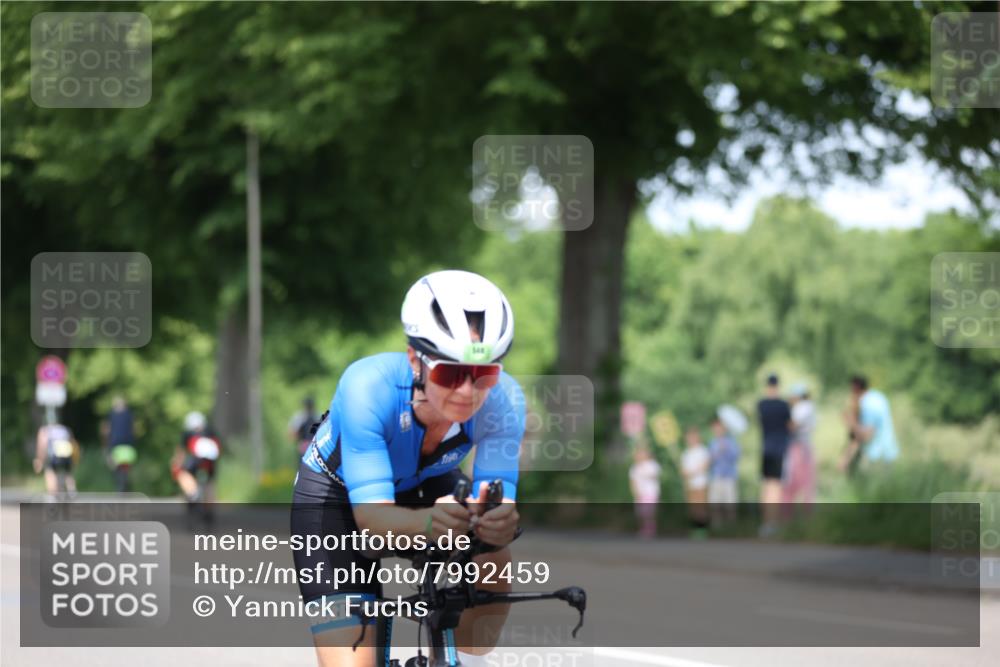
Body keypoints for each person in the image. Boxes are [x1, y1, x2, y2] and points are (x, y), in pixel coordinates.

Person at [291, 270, 524, 667]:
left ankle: (458, 659)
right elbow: (371, 520)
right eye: (450, 373)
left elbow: (497, 503)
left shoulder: (504, 402)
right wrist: (429, 524)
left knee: (494, 556)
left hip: (429, 482)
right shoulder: (368, 386)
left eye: (484, 374)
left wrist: (497, 523)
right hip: (338, 498)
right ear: (416, 358)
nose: (467, 391)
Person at [841, 375, 899, 472]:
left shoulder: (868, 405)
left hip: (876, 456)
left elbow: (866, 435)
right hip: (888, 452)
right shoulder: (878, 397)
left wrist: (851, 422)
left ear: (856, 387)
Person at [757, 374, 791, 536]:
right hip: (779, 449)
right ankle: (773, 522)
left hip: (766, 448)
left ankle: (765, 521)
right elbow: (790, 426)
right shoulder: (784, 405)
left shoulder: (761, 404)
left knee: (765, 485)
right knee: (775, 487)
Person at [172, 411, 221, 504]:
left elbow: (181, 451)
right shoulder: (211, 431)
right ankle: (209, 505)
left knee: (181, 472)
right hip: (211, 461)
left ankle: (192, 492)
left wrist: (177, 462)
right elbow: (218, 447)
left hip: (196, 459)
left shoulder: (188, 433)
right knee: (210, 481)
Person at [782, 383, 817, 509]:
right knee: (804, 482)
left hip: (799, 448)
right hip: (801, 447)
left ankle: (791, 514)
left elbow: (793, 425)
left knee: (796, 482)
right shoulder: (807, 407)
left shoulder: (803, 407)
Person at [708, 417, 740, 523]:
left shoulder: (731, 442)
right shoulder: (712, 443)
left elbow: (735, 457)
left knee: (730, 502)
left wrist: (726, 449)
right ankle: (717, 525)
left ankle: (731, 525)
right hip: (716, 476)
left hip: (729, 477)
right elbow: (710, 460)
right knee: (715, 502)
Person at [34, 421, 79, 496]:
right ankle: (72, 491)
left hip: (55, 456)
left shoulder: (45, 430)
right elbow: (73, 443)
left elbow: (42, 446)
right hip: (67, 455)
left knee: (50, 471)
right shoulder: (64, 429)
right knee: (68, 473)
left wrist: (40, 460)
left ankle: (53, 494)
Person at [103, 396, 137, 492]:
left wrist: (105, 445)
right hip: (128, 445)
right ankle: (126, 485)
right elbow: (134, 429)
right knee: (127, 467)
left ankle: (120, 486)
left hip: (115, 444)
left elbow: (106, 430)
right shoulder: (130, 414)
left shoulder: (111, 414)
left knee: (113, 465)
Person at [681, 425, 710, 536]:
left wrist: (692, 472)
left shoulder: (702, 450)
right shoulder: (686, 453)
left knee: (701, 506)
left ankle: (703, 529)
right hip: (690, 484)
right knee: (693, 507)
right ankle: (695, 528)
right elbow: (683, 470)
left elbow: (705, 465)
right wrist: (686, 474)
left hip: (701, 483)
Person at [629, 442, 662, 539]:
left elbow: (654, 475)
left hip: (651, 492)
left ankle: (651, 529)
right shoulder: (634, 467)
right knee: (641, 512)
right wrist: (635, 492)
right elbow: (633, 481)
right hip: (640, 493)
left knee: (649, 512)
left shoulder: (652, 464)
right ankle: (643, 528)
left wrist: (645, 473)